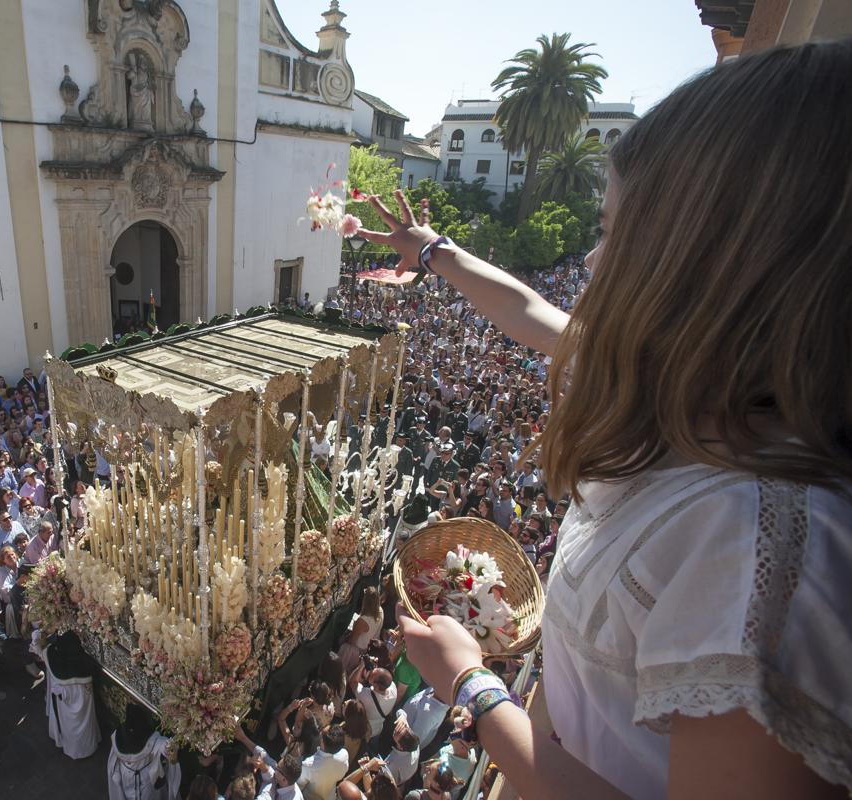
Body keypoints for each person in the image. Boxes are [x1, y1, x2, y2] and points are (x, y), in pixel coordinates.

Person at [365, 40, 852, 800]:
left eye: (612, 233)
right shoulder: (677, 389)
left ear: (714, 267)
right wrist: (435, 252)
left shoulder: (756, 548)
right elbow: (529, 311)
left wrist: (473, 686)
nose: (589, 265)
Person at [39, 631, 100, 759]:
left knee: (69, 728)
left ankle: (72, 748)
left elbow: (45, 651)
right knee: (85, 725)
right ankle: (87, 747)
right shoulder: (85, 667)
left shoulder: (54, 661)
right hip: (84, 708)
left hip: (65, 708)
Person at [107, 704, 181, 800]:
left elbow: (113, 761)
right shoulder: (153, 740)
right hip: (145, 779)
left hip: (126, 775)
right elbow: (167, 747)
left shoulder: (118, 735)